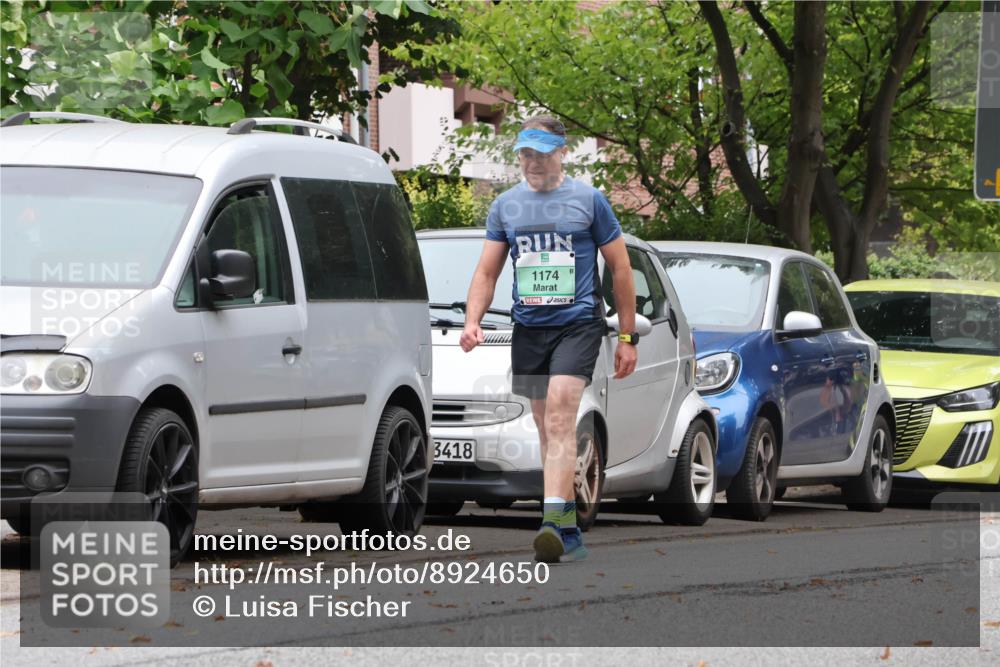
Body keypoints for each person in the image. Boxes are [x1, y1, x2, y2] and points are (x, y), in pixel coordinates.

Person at [459, 116, 638, 563]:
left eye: (541, 153)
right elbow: (487, 271)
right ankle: (569, 529)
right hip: (530, 330)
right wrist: (472, 320)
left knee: (560, 417)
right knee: (546, 428)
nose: (532, 162)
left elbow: (620, 269)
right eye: (525, 153)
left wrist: (628, 335)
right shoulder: (505, 206)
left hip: (577, 325)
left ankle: (549, 522)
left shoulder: (589, 201)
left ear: (562, 151)